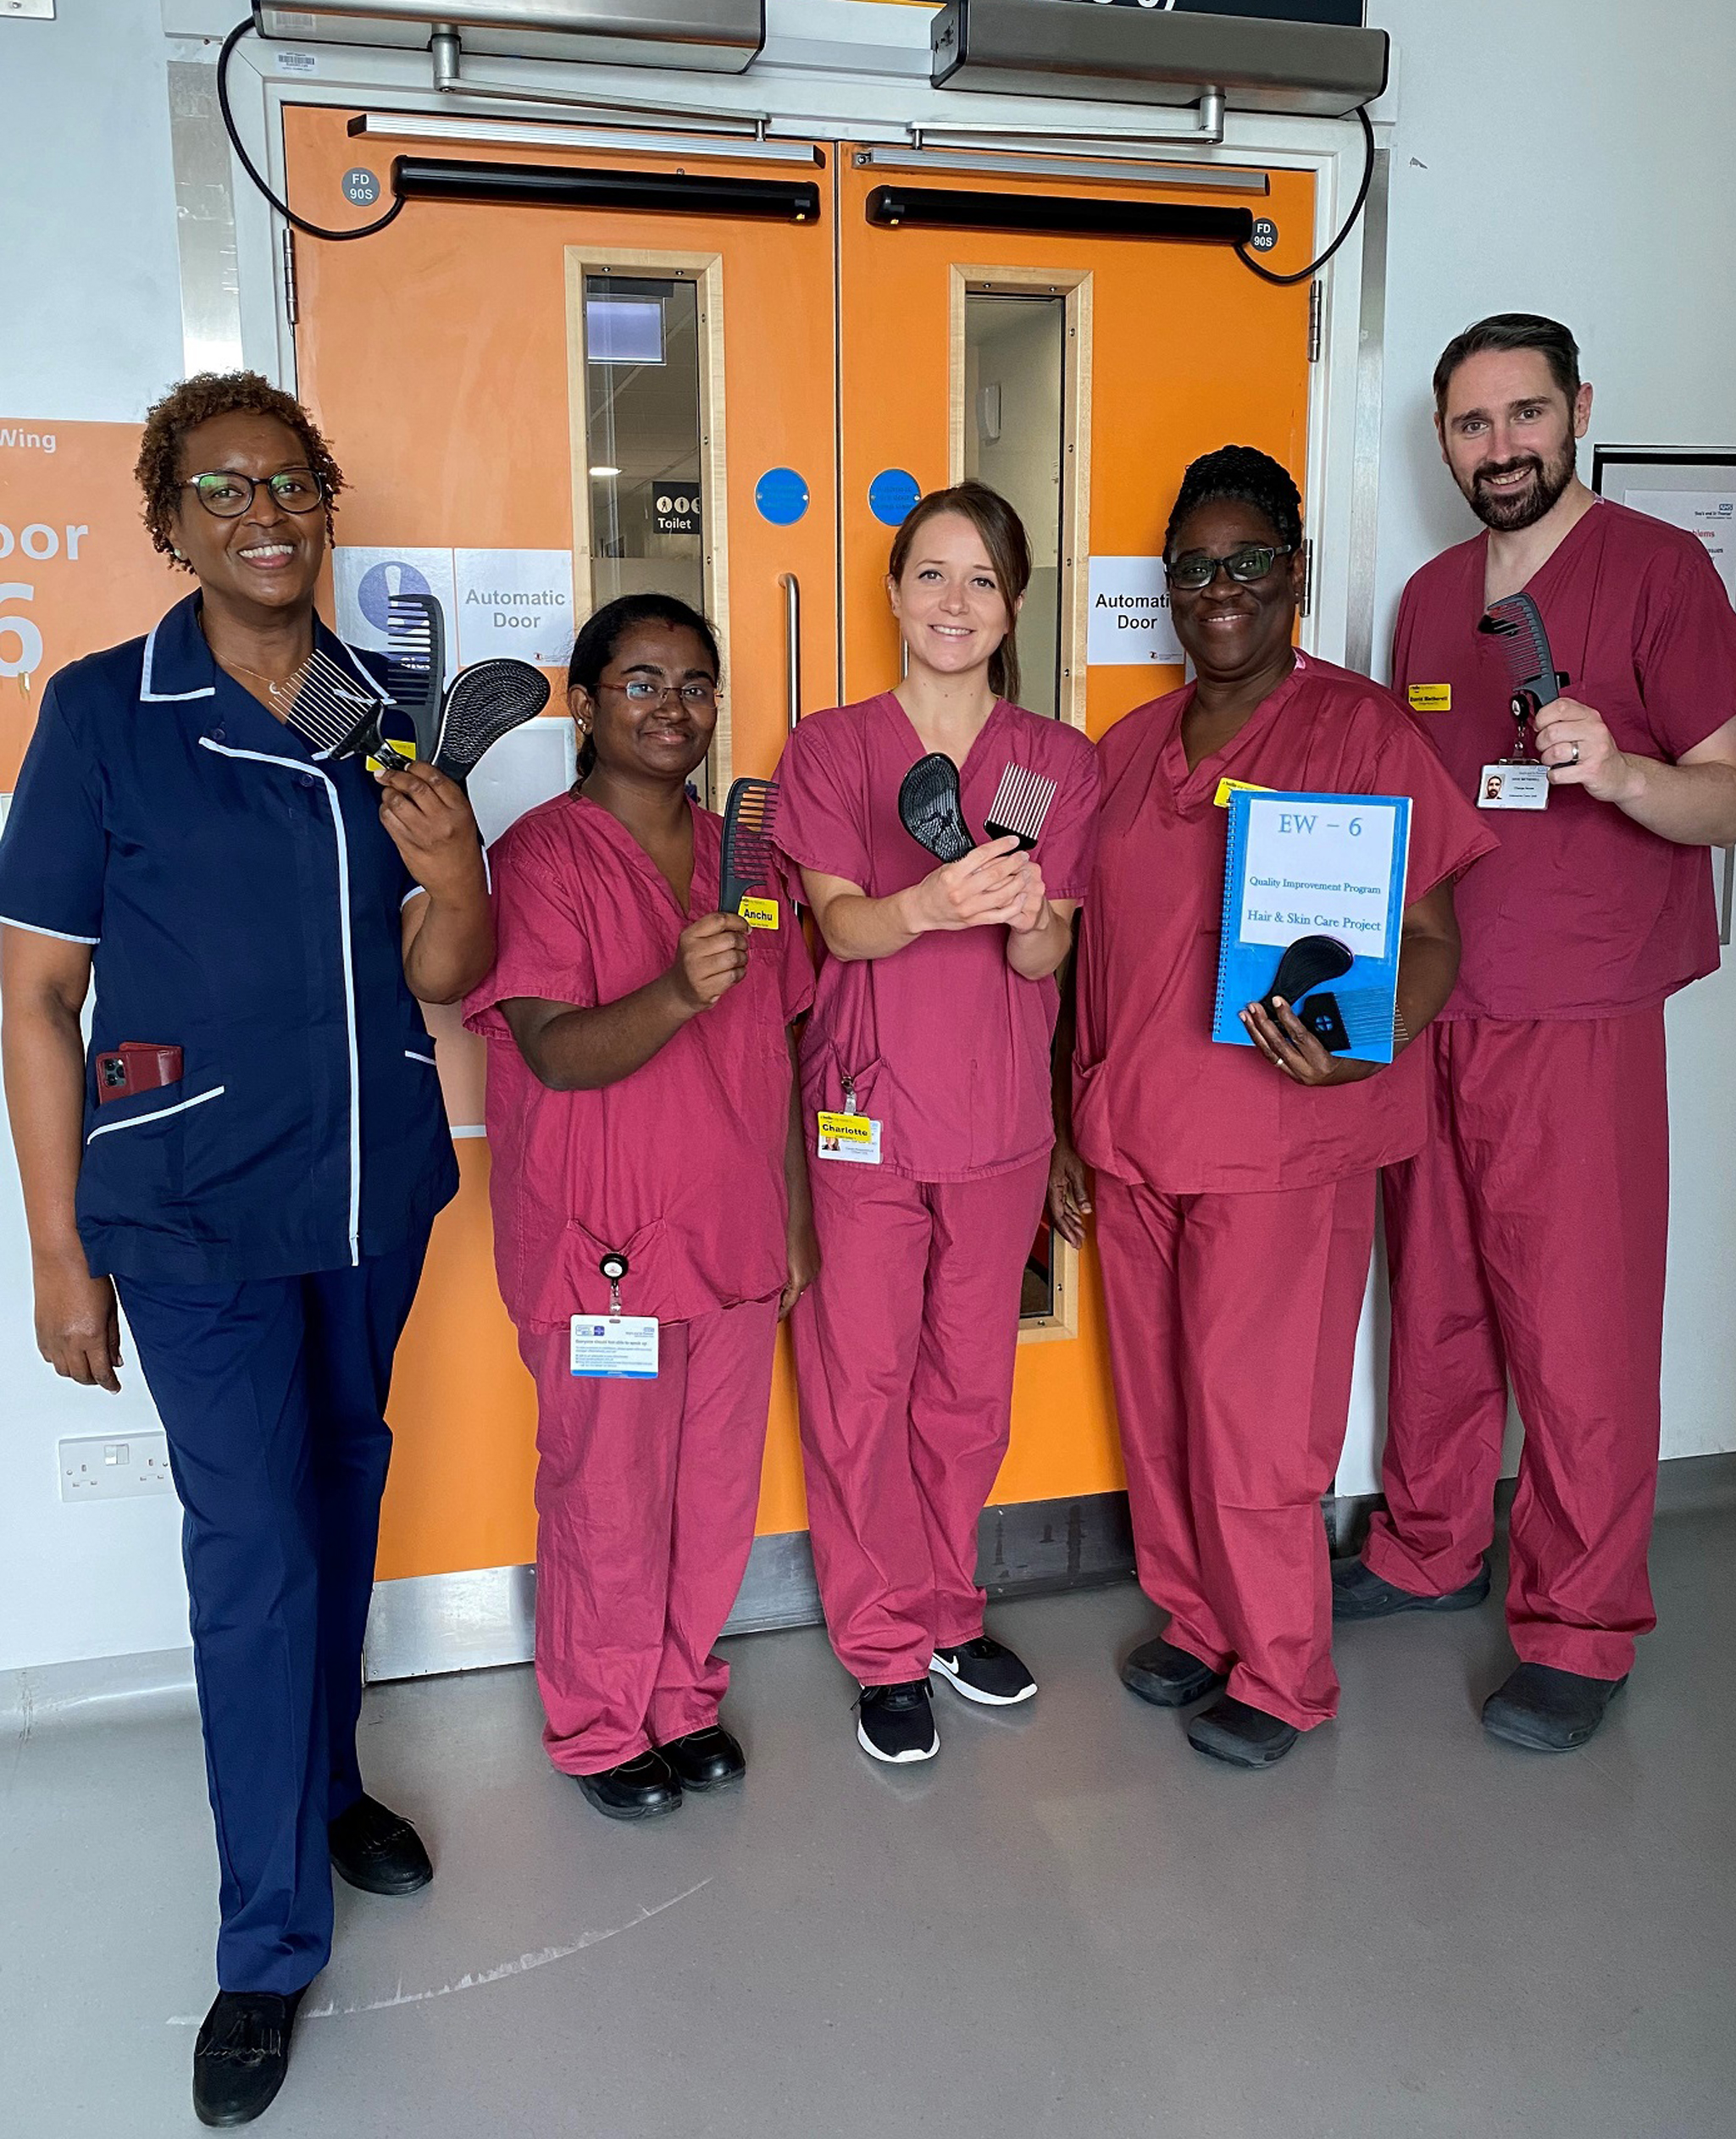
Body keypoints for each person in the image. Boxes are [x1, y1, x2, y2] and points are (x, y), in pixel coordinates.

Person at [0, 371, 492, 2127]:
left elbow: (441, 972)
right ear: (168, 521)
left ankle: (326, 1780)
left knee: (343, 1493)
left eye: (290, 484)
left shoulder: (380, 717)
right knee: (256, 1544)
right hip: (195, 1214)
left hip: (367, 1197)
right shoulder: (100, 715)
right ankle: (264, 1939)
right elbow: (39, 994)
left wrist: (456, 867)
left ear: (322, 502)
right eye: (223, 490)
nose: (265, 513)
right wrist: (63, 1252)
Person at [1332, 315, 1736, 1751]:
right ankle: (1429, 1542)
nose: (1501, 447)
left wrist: (1625, 768)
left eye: (1525, 416)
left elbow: (1731, 799)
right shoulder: (1432, 595)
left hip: (1578, 1014)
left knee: (1578, 1325)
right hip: (1436, 1003)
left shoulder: (1658, 570)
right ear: (1446, 442)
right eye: (1472, 426)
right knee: (1439, 1299)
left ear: (1578, 408)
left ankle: (1583, 1622)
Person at [1049, 446, 1495, 1770]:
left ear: (1291, 574)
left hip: (1283, 1144)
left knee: (1257, 1423)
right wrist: (1075, 1124)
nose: (1220, 588)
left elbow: (1432, 936)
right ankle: (1196, 1619)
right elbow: (1090, 956)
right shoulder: (1123, 754)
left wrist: (1368, 1044)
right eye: (1195, 566)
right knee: (1164, 1412)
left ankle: (1284, 1671)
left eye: (1247, 562)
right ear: (1170, 587)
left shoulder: (1358, 731)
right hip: (1136, 1141)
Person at [463, 596, 818, 1821]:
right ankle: (602, 1721)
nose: (676, 708)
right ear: (585, 702)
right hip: (598, 1242)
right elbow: (555, 1052)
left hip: (729, 1237)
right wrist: (674, 991)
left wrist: (795, 1221)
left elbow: (773, 1043)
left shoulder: (747, 856)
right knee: (607, 1492)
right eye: (644, 682)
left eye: (697, 684)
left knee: (713, 1491)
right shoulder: (542, 857)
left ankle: (680, 1696)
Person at [774, 482, 1098, 1765]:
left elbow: (1045, 958)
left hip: (1000, 1123)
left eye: (981, 580)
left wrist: (1020, 913)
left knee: (969, 1388)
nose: (953, 603)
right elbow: (839, 922)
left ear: (1012, 604)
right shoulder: (833, 748)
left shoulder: (1053, 762)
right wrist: (929, 902)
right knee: (861, 1384)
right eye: (930, 575)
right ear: (896, 594)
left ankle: (952, 1608)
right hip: (865, 1115)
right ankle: (882, 1643)